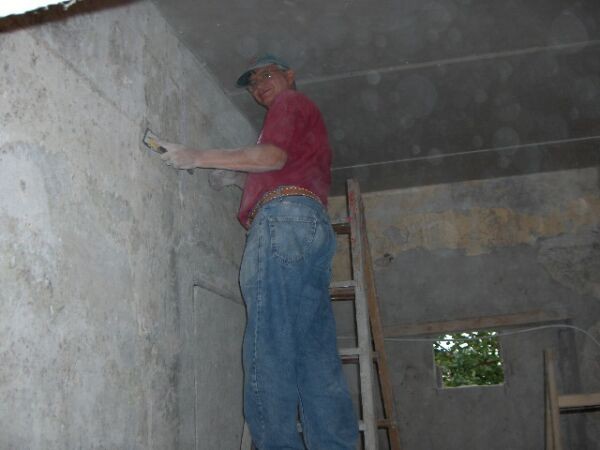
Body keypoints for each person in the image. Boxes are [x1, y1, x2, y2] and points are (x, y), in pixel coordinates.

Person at [159, 54, 358, 449]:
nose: (258, 86)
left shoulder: (289, 103)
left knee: (269, 347)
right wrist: (239, 179)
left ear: (290, 75)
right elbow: (285, 169)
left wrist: (195, 156)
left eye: (266, 75)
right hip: (310, 227)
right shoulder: (306, 117)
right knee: (314, 355)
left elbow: (271, 158)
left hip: (283, 224)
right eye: (252, 83)